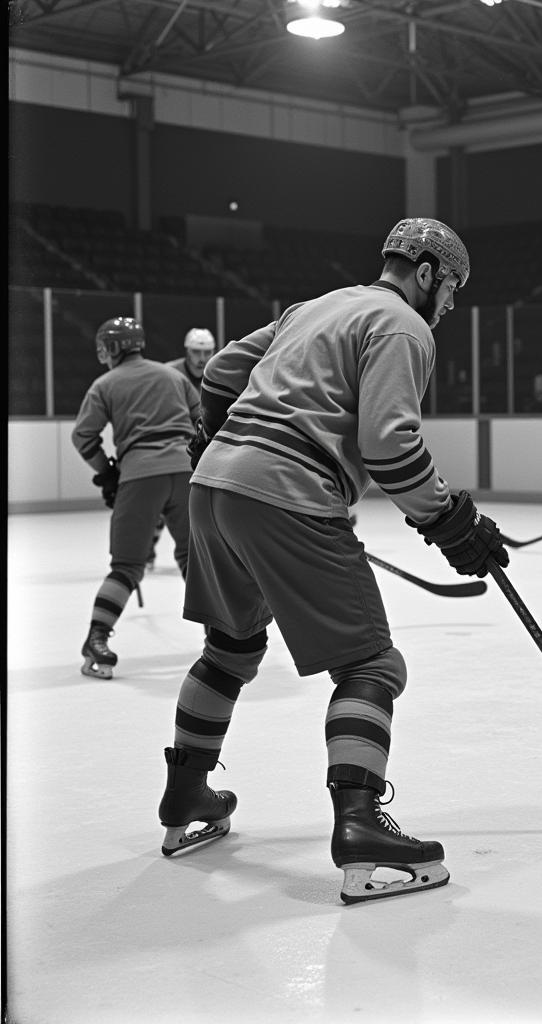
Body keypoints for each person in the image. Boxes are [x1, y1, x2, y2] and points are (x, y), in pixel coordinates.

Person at [156, 217, 509, 904]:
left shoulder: (316, 307)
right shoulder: (406, 327)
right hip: (287, 490)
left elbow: (224, 371)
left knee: (229, 648)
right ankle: (359, 825)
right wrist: (449, 519)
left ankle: (186, 795)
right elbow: (388, 445)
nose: (452, 305)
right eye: (454, 288)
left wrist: (223, 446)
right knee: (371, 664)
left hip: (213, 487)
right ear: (430, 273)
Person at [72, 316, 199, 678]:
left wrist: (107, 471)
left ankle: (97, 639)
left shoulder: (104, 384)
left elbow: (84, 437)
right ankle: (220, 636)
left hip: (140, 477)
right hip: (186, 474)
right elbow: (203, 423)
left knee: (126, 566)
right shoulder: (174, 377)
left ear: (110, 349)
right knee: (197, 561)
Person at [146, 327, 218, 570]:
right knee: (161, 503)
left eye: (207, 352)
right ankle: (147, 550)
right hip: (177, 445)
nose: (202, 358)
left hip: (205, 445)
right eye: (197, 352)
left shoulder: (218, 370)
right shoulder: (168, 372)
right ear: (187, 351)